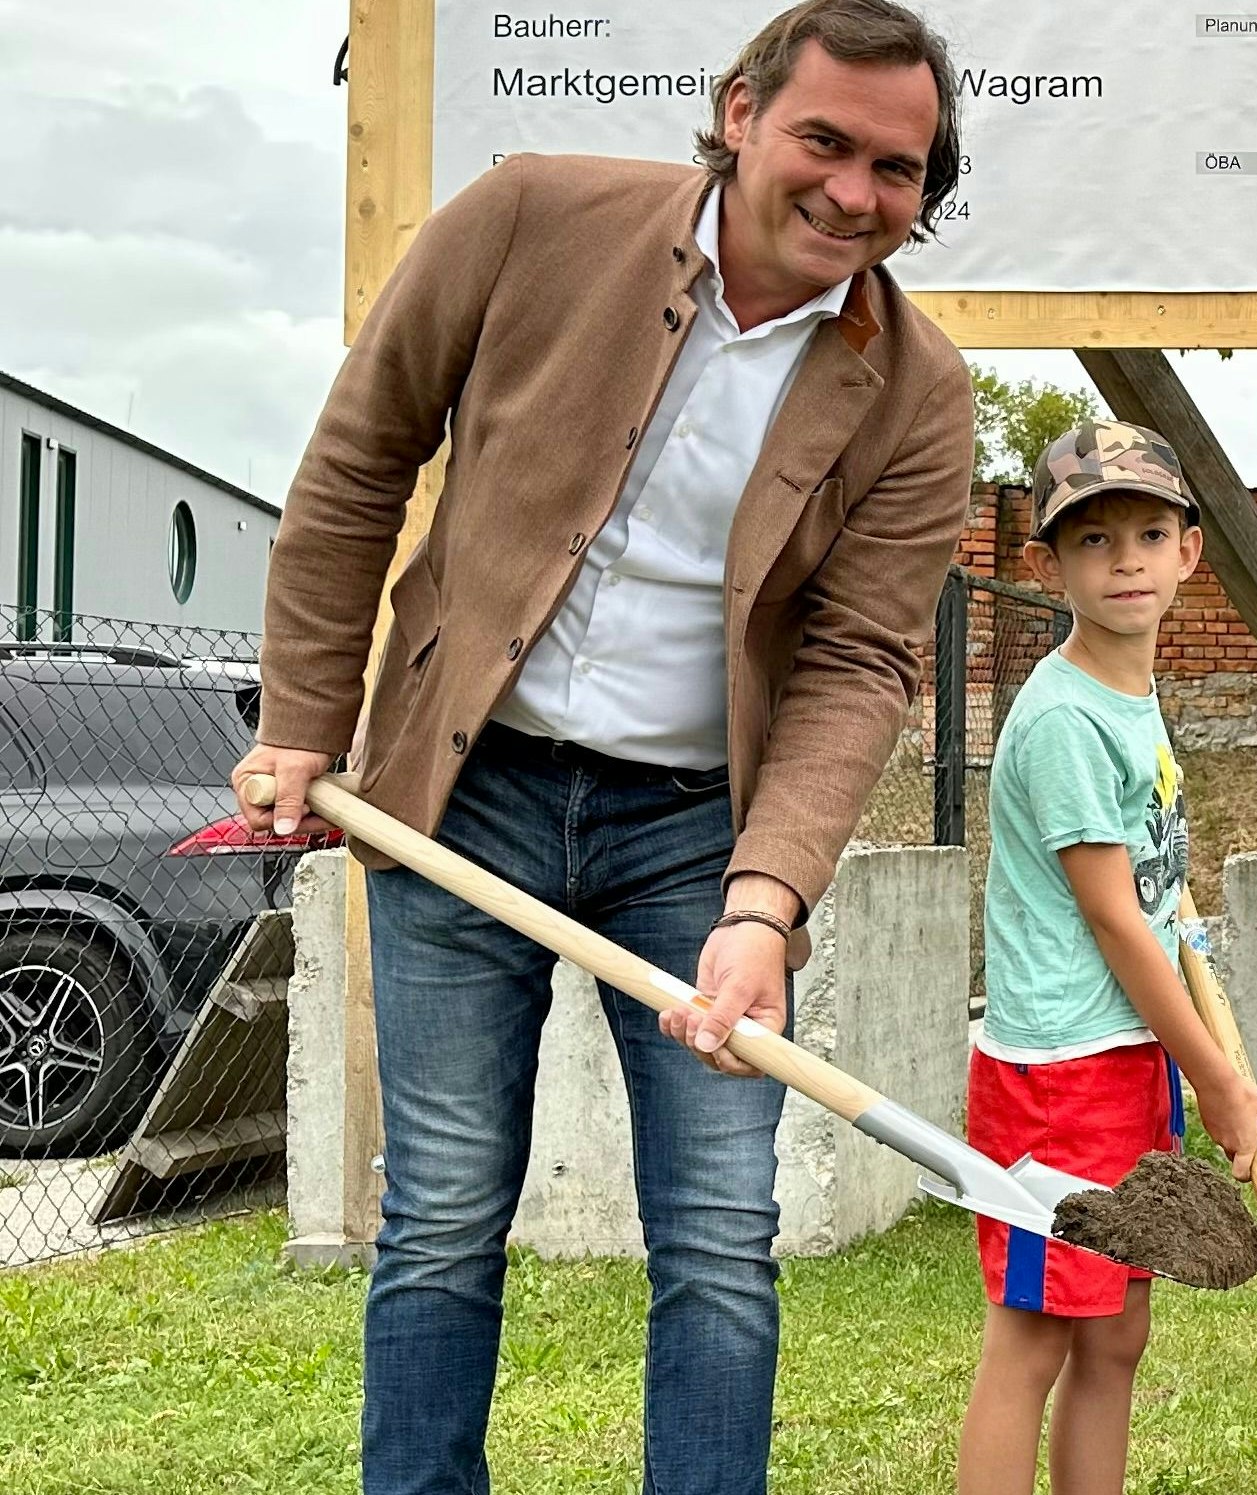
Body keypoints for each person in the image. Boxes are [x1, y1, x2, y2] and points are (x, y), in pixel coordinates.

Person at [233, 3, 975, 1489]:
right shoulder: (526, 218)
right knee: (439, 1211)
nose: (852, 194)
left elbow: (856, 660)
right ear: (741, 109)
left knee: (716, 1236)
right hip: (464, 792)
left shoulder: (919, 393)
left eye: (897, 170)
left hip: (701, 834)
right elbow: (362, 454)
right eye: (824, 141)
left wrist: (766, 901)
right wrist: (311, 721)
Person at [955, 421, 1257, 1495]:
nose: (1127, 559)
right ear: (1048, 566)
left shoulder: (1128, 699)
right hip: (1060, 1073)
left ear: (1190, 551)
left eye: (1150, 532)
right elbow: (1114, 922)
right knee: (1037, 1339)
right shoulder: (1059, 718)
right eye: (1094, 541)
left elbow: (1155, 894)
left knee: (1115, 1337)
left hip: (1122, 1056)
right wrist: (1220, 1082)